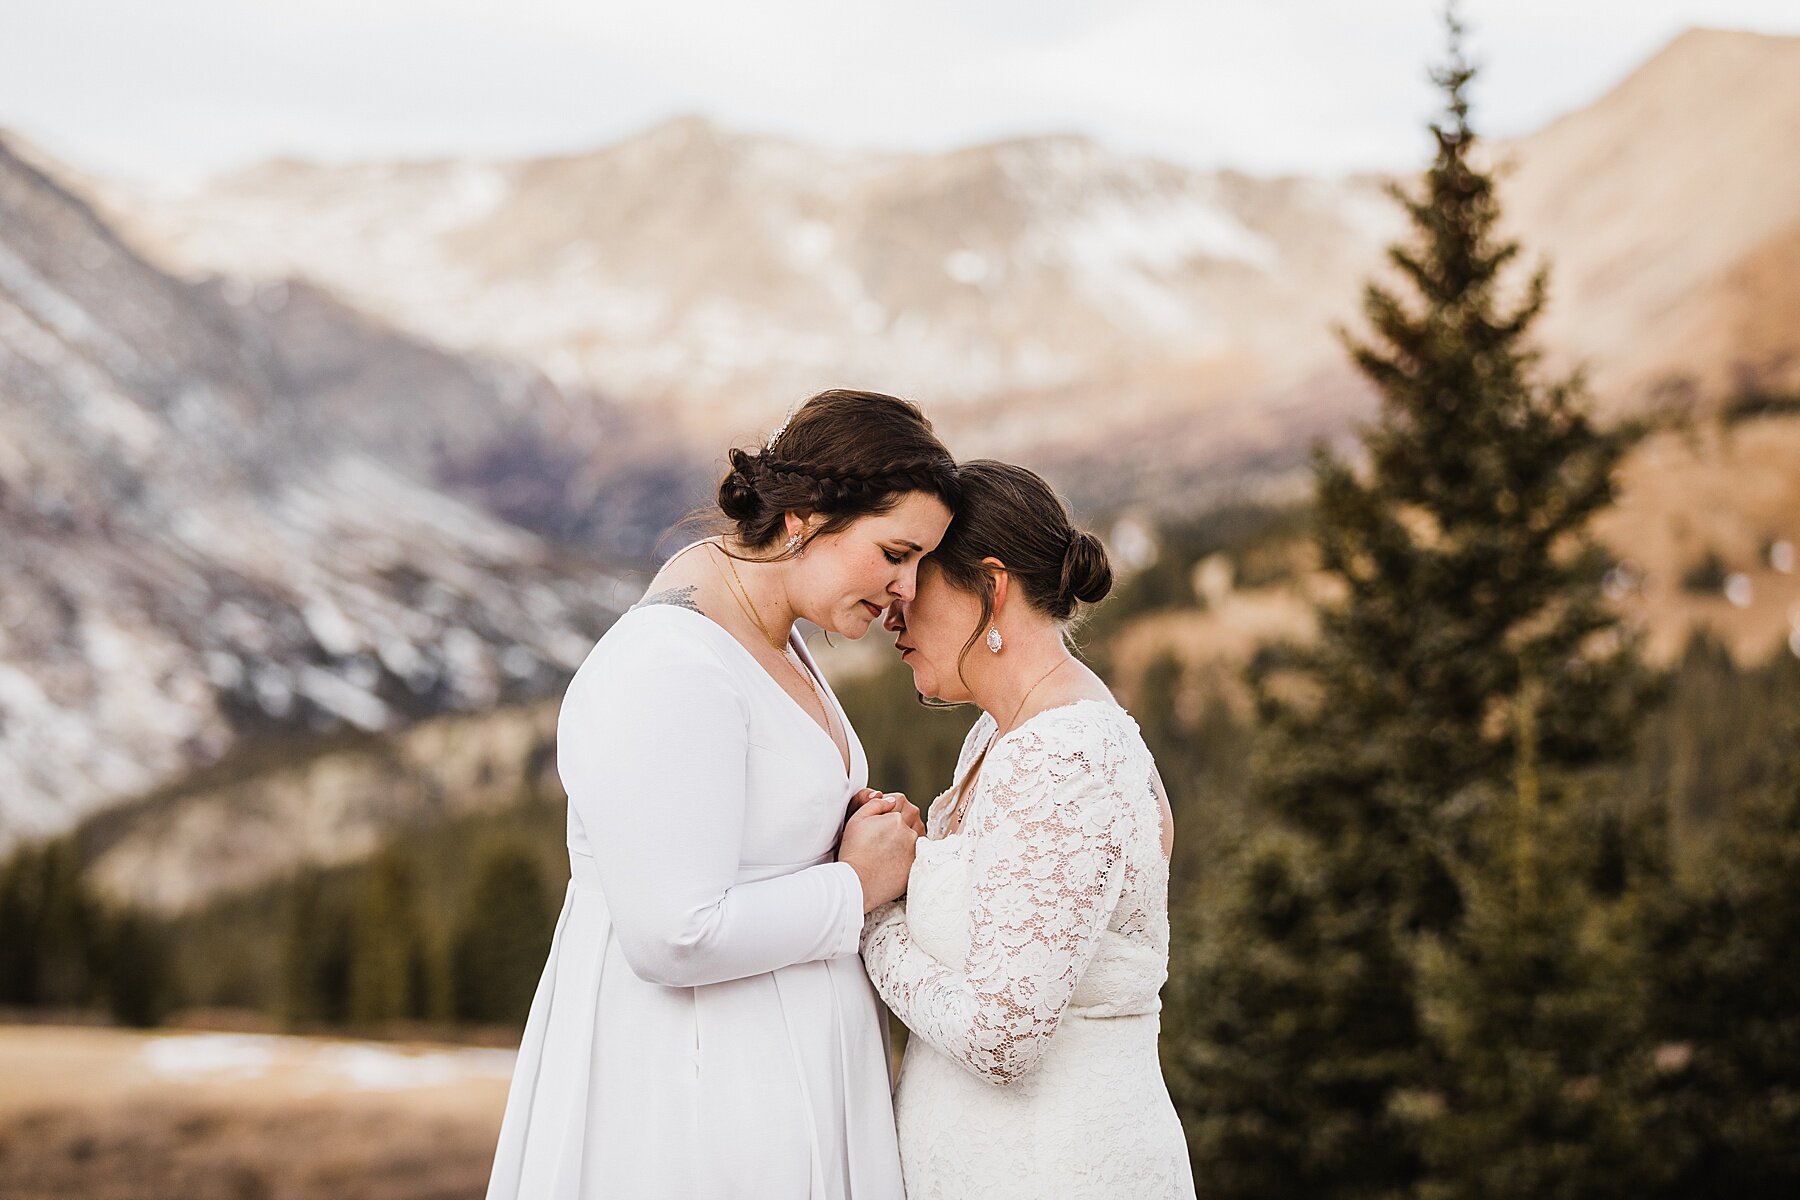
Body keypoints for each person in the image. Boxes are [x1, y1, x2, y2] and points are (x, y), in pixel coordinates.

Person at [485, 390, 955, 1199]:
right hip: (701, 1100)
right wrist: (856, 884)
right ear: (805, 516)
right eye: (894, 553)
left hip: (774, 1074)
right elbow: (673, 935)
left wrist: (854, 828)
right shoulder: (670, 665)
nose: (907, 588)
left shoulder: (772, 637)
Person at [860, 460, 1197, 1199]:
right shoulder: (1000, 733)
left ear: (991, 585)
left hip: (1052, 1169)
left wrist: (869, 911)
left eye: (915, 583)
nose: (893, 611)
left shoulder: (1064, 756)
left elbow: (1003, 1036)